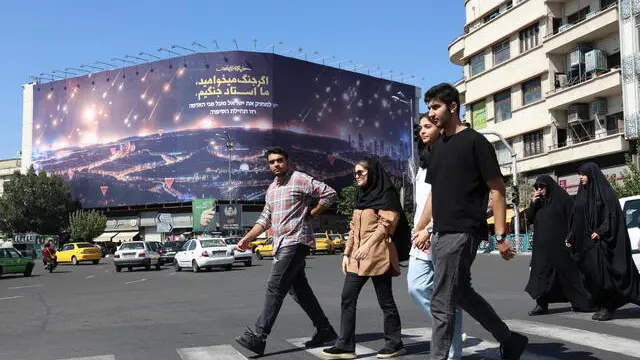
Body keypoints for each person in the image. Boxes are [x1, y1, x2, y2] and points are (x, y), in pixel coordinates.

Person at [412, 83, 528, 360]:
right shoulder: (439, 147)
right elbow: (434, 197)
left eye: (436, 107)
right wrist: (422, 228)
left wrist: (500, 236)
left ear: (453, 107)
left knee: (441, 302)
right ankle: (509, 339)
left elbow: (497, 189)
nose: (432, 113)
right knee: (461, 293)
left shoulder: (476, 142)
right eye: (429, 108)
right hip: (440, 232)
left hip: (462, 231)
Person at [214, 147, 338, 356]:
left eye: (280, 160)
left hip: (296, 241)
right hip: (281, 245)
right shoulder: (271, 189)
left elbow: (329, 193)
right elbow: (265, 219)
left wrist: (313, 212)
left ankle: (258, 336)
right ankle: (325, 330)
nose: (276, 165)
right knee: (300, 291)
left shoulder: (299, 179)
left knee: (275, 286)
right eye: (272, 162)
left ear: (288, 162)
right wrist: (247, 238)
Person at [322, 157, 409, 359]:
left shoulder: (386, 195)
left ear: (373, 173)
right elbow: (354, 229)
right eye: (355, 173)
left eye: (361, 172)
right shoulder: (362, 196)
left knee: (385, 301)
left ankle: (394, 343)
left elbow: (386, 225)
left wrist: (367, 246)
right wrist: (346, 253)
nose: (357, 176)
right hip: (357, 257)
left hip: (378, 255)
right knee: (347, 297)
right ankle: (345, 345)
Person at [408, 114, 463, 360]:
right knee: (416, 286)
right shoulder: (421, 165)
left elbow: (446, 199)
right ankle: (446, 325)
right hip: (421, 233)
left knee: (449, 295)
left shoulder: (449, 157)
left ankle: (452, 353)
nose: (422, 131)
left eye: (427, 126)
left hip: (440, 232)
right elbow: (423, 203)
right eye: (420, 128)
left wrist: (428, 228)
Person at [566, 162, 640, 321]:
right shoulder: (582, 194)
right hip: (587, 244)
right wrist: (571, 236)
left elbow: (611, 215)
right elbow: (576, 217)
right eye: (580, 175)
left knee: (606, 276)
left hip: (603, 243)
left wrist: (601, 231)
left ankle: (608, 306)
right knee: (592, 275)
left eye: (583, 174)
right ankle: (603, 304)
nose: (581, 178)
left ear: (592, 175)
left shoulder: (605, 194)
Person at [525, 175, 593, 316]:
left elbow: (574, 220)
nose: (539, 190)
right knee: (541, 276)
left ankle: (580, 302)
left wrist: (570, 237)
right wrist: (533, 203)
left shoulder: (563, 200)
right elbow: (529, 219)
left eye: (542, 187)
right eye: (537, 187)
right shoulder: (539, 204)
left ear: (549, 186)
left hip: (560, 248)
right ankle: (541, 305)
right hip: (541, 249)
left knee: (568, 276)